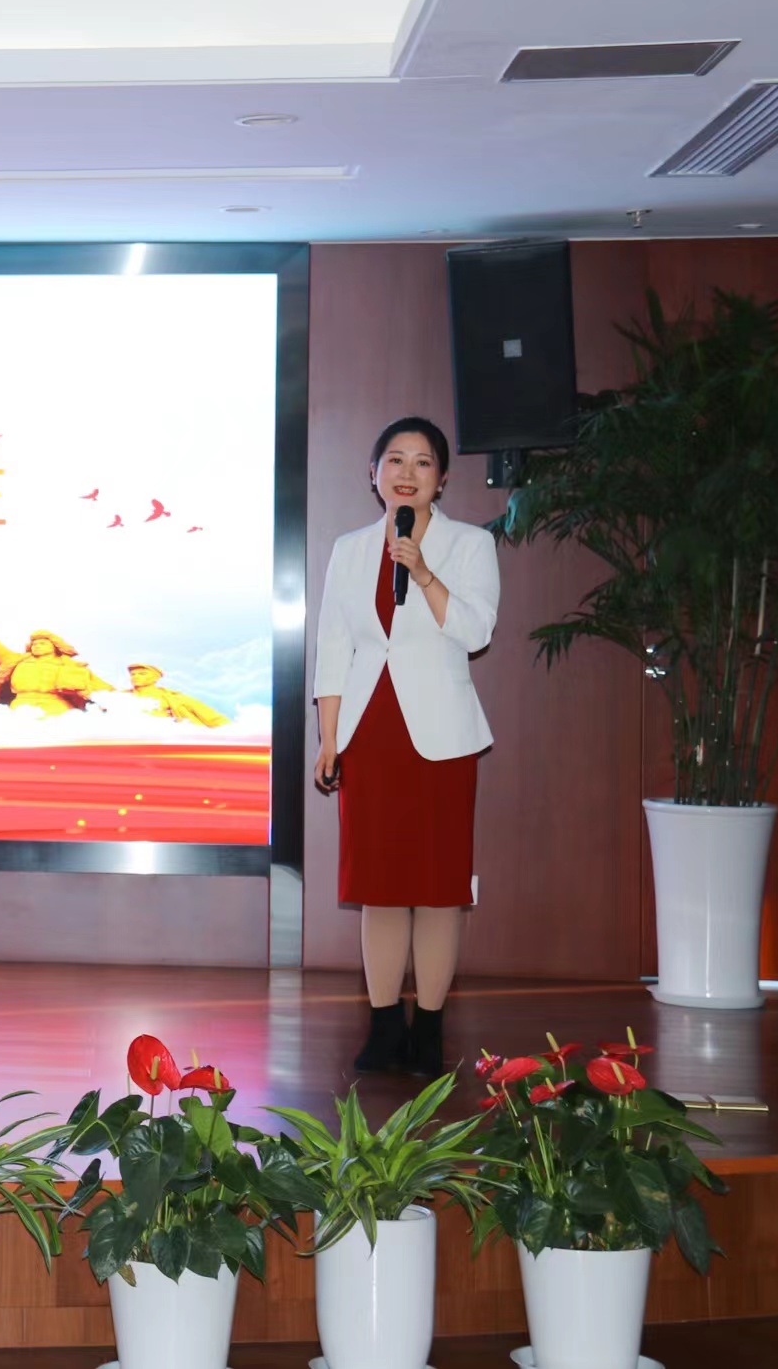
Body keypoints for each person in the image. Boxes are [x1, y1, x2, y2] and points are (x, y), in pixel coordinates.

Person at [312, 416, 500, 1078]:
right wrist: (329, 738)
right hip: (370, 734)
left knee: (439, 888)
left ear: (441, 480)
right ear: (373, 474)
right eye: (394, 459)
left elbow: (476, 631)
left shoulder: (470, 544)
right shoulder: (349, 549)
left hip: (441, 739)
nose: (407, 473)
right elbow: (334, 646)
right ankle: (385, 1023)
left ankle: (430, 1028)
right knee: (381, 887)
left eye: (423, 462)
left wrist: (422, 572)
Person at [0, 606, 114, 714]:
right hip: (21, 707)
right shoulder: (17, 662)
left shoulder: (71, 667)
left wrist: (126, 699)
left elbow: (102, 689)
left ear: (55, 646)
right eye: (35, 644)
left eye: (43, 643)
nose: (37, 646)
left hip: (57, 709)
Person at [124, 664, 229, 727]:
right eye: (133, 674)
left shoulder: (175, 698)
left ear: (155, 678)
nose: (135, 677)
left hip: (168, 741)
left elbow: (215, 719)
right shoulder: (122, 697)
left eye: (142, 674)